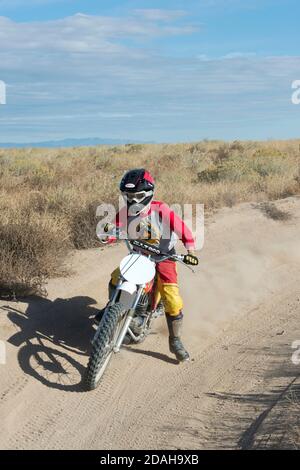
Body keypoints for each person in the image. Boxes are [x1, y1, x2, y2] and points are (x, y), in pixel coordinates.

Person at [96, 168, 198, 362]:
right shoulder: (125, 212)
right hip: (138, 255)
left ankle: (175, 340)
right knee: (116, 277)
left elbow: (183, 230)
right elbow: (114, 230)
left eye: (138, 196)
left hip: (164, 258)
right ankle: (112, 308)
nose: (133, 200)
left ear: (149, 194)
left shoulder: (161, 210)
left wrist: (190, 252)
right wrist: (107, 237)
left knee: (173, 299)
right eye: (128, 195)